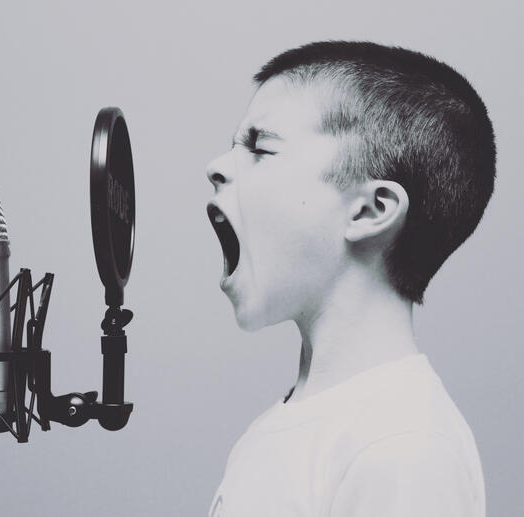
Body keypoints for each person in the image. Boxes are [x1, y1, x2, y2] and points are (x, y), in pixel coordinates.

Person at [205, 41, 495, 517]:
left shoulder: (405, 448)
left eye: (259, 146)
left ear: (370, 210)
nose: (216, 166)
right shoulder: (282, 428)